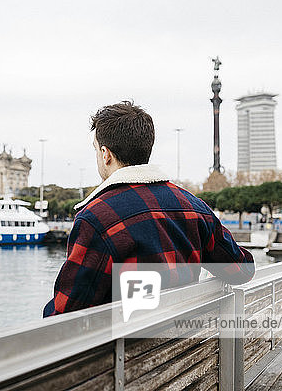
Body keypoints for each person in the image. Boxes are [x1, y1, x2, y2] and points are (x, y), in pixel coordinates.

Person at [43, 101, 255, 317]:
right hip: (186, 342)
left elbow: (64, 314)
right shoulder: (195, 207)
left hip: (127, 347)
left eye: (97, 150)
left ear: (106, 154)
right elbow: (242, 270)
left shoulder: (97, 217)